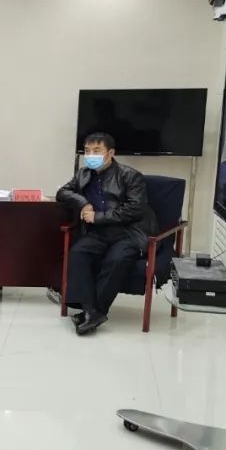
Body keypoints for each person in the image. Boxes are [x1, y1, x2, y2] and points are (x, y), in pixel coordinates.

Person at [56, 133, 156, 335]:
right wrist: (84, 203)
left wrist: (98, 217)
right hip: (99, 233)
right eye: (87, 151)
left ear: (110, 153)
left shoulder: (130, 175)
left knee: (117, 259)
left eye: (96, 151)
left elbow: (135, 209)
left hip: (129, 232)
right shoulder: (83, 174)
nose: (90, 155)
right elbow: (62, 193)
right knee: (78, 253)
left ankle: (96, 311)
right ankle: (90, 310)